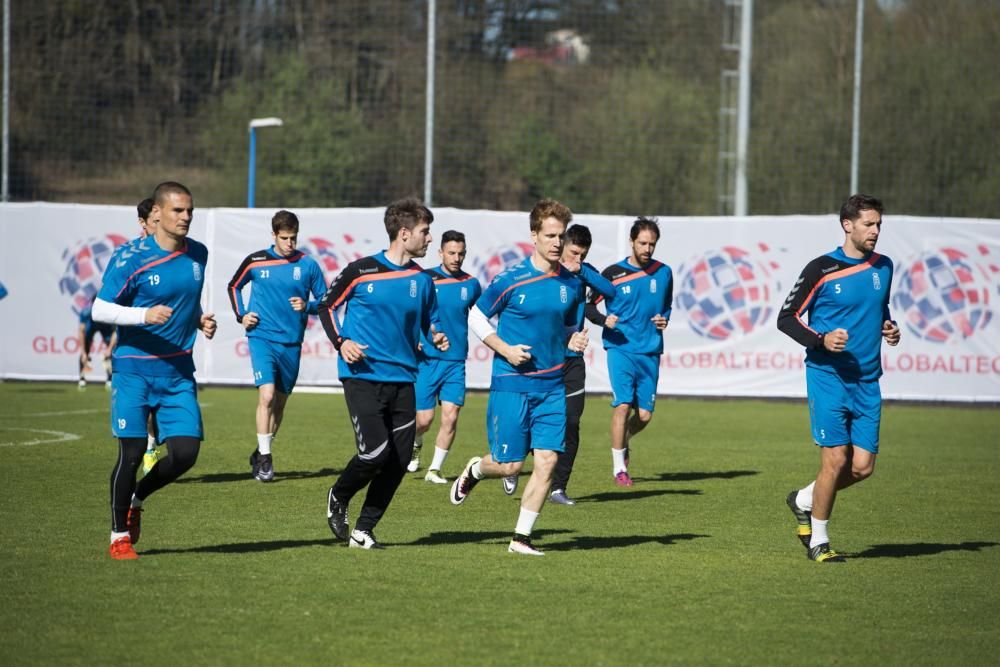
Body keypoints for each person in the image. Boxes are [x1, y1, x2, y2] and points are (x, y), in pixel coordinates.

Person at [450, 198, 590, 556]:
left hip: (552, 386)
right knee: (510, 464)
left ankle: (520, 539)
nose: (557, 243)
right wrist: (506, 349)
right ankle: (476, 470)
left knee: (547, 461)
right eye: (550, 235)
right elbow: (477, 318)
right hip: (512, 385)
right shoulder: (510, 280)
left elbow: (568, 328)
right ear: (534, 236)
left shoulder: (572, 285)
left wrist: (572, 340)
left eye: (561, 236)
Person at [92, 181, 217, 560]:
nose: (186, 217)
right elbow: (100, 309)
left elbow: (183, 301)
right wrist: (142, 315)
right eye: (179, 211)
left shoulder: (199, 253)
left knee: (185, 454)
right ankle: (119, 537)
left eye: (190, 211)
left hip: (178, 372)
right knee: (131, 454)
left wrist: (198, 321)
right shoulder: (130, 257)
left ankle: (137, 497)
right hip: (134, 370)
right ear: (157, 214)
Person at [319, 197, 448, 549]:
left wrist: (433, 335)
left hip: (404, 379)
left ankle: (363, 529)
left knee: (399, 460)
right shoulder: (361, 270)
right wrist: (341, 341)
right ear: (404, 233)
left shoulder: (422, 280)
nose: (429, 239)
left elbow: (427, 323)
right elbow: (326, 306)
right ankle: (338, 494)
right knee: (375, 453)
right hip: (362, 375)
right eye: (425, 231)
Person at [778, 193, 900, 563]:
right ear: (848, 225)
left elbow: (880, 308)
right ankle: (819, 541)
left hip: (867, 380)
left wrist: (888, 328)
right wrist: (821, 339)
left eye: (879, 224)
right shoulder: (821, 269)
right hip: (827, 377)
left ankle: (803, 499)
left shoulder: (884, 267)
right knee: (835, 460)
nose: (876, 231)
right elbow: (786, 318)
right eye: (869, 224)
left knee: (862, 468)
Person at [227, 210, 327, 482]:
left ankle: (260, 451)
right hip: (261, 338)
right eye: (284, 238)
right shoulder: (256, 261)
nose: (289, 244)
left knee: (279, 405)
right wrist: (242, 314)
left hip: (292, 344)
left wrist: (308, 306)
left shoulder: (308, 265)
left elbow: (326, 301)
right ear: (273, 235)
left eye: (293, 238)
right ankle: (267, 461)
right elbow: (234, 286)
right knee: (267, 395)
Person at [585, 217, 673, 487]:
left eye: (652, 244)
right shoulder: (612, 274)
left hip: (649, 350)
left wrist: (664, 319)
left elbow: (666, 306)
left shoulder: (664, 272)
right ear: (632, 241)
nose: (647, 249)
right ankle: (619, 468)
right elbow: (589, 308)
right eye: (643, 243)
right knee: (623, 405)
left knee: (644, 416)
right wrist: (604, 321)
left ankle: (624, 440)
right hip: (620, 347)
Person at [547, 224, 615, 505]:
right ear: (562, 246)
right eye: (574, 253)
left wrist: (583, 270)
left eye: (583, 255)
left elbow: (609, 290)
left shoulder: (582, 273)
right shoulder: (545, 271)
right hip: (545, 357)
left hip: (573, 360)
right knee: (534, 419)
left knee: (572, 423)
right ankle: (511, 464)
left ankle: (557, 488)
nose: (577, 259)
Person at [409, 230, 482, 484]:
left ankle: (434, 470)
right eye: (451, 252)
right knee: (424, 420)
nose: (456, 257)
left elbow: (481, 317)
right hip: (427, 360)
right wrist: (416, 339)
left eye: (461, 253)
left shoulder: (471, 284)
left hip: (455, 362)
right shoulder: (424, 279)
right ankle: (416, 442)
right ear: (440, 252)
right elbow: (411, 314)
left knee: (451, 416)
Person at [77, 296, 117, 389]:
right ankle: (82, 378)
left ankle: (110, 379)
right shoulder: (86, 313)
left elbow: (115, 332)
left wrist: (109, 349)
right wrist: (83, 352)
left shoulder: (109, 313)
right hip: (91, 326)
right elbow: (81, 331)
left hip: (105, 326)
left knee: (112, 351)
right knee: (85, 350)